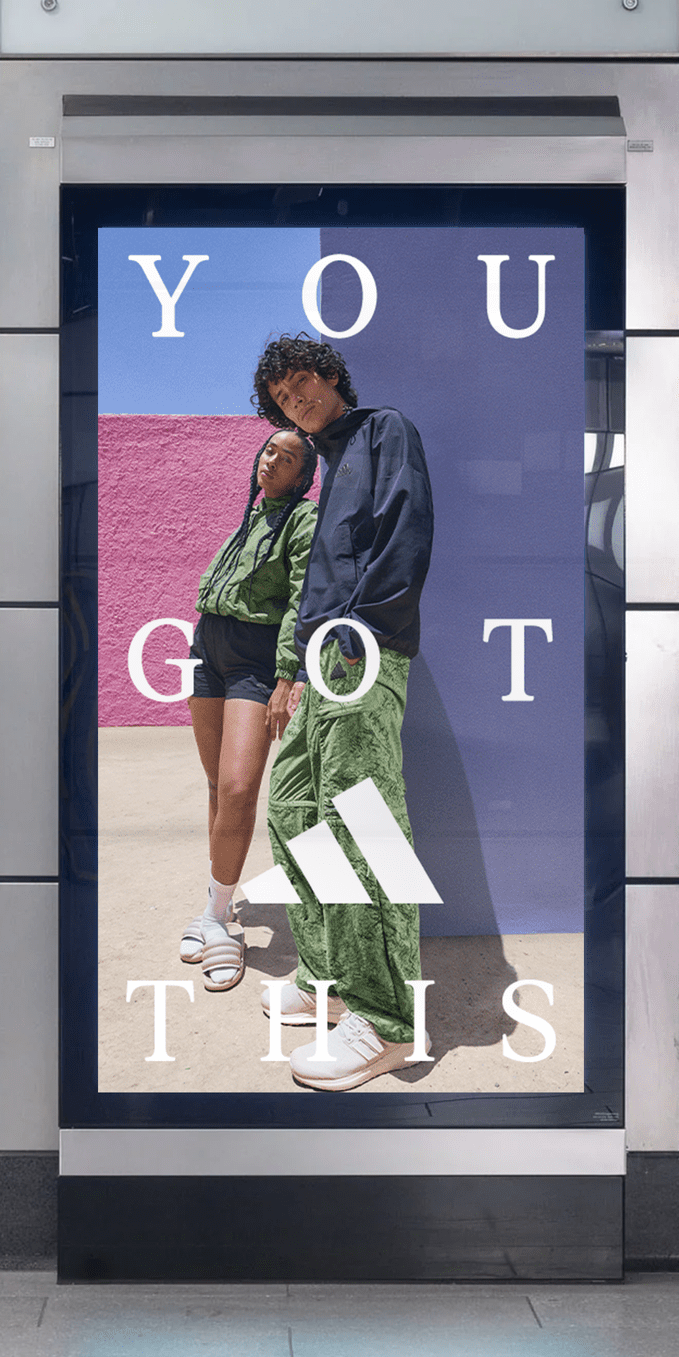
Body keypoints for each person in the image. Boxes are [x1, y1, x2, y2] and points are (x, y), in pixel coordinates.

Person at [251, 334, 436, 1090]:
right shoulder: (328, 469)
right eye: (282, 400)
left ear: (331, 377)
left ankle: (387, 1020)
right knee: (294, 809)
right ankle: (328, 975)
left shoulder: (383, 430)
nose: (295, 403)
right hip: (323, 657)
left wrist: (358, 635)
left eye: (302, 386)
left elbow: (403, 534)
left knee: (360, 818)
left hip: (360, 650)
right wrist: (293, 670)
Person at [179, 429, 317, 991]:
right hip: (206, 648)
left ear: (303, 475)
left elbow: (303, 598)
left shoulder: (303, 521)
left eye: (287, 458)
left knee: (238, 787)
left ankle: (216, 919)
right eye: (269, 451)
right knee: (215, 785)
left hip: (255, 662)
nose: (272, 462)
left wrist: (290, 673)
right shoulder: (250, 515)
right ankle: (219, 910)